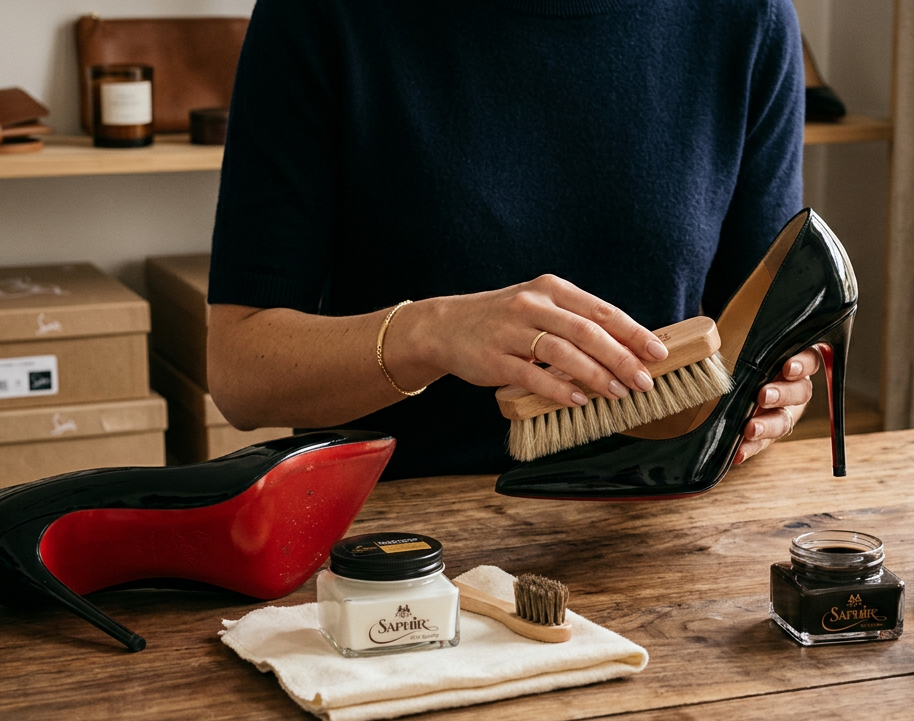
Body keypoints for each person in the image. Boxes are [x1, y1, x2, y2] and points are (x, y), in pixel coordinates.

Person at [207, 0, 824, 480]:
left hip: (658, 520)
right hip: (399, 547)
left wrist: (776, 397)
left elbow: (754, 341)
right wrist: (431, 333)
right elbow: (241, 375)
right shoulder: (319, 15)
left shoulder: (748, 17)